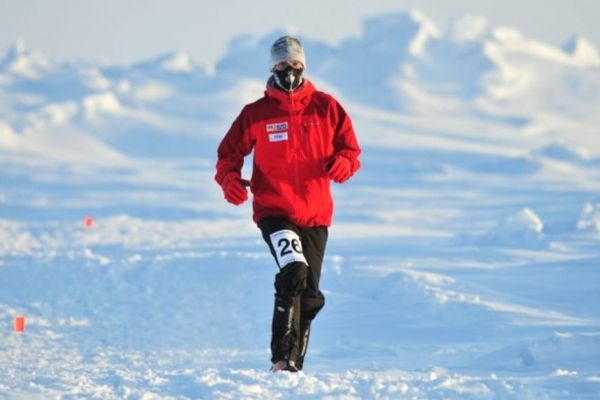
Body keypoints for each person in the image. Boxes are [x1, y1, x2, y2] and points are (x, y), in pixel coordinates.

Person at [215, 35, 361, 372]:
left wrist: (343, 164)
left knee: (309, 295)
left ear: (304, 67)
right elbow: (228, 156)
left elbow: (351, 151)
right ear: (272, 68)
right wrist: (230, 182)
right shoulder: (256, 114)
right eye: (282, 65)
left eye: (295, 65)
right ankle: (281, 359)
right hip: (274, 211)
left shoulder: (326, 107)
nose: (289, 71)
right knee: (294, 270)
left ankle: (295, 364)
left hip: (315, 214)